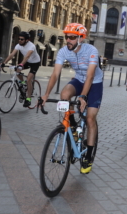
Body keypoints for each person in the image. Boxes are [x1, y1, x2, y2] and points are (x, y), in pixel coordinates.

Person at [41, 23, 103, 174]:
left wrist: (82, 96)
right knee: (64, 95)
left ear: (81, 39)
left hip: (94, 83)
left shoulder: (91, 51)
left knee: (90, 118)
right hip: (79, 80)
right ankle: (73, 126)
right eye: (66, 37)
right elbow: (55, 74)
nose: (68, 40)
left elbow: (90, 76)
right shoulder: (63, 51)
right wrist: (46, 94)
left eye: (72, 37)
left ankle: (88, 155)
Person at [2, 31, 41, 107]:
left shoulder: (31, 46)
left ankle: (28, 99)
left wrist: (21, 64)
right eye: (19, 39)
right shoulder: (18, 45)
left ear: (27, 40)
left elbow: (27, 56)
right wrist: (4, 62)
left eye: (22, 39)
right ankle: (22, 83)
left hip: (35, 63)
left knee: (29, 79)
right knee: (17, 70)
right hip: (27, 61)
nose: (19, 40)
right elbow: (12, 54)